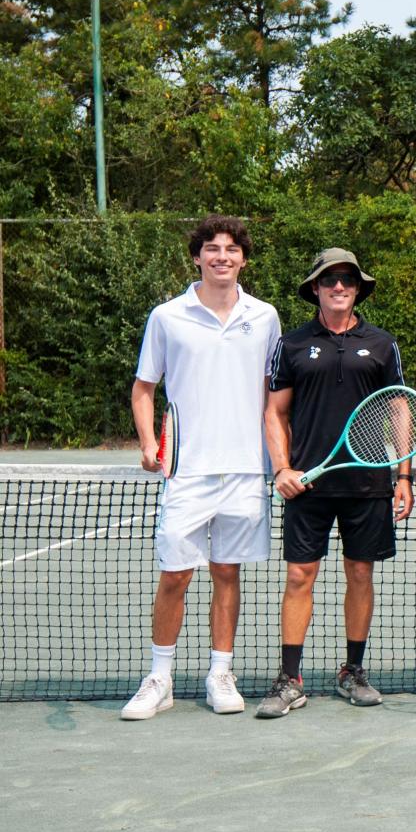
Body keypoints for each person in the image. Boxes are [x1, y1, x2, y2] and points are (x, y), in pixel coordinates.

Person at [121, 215, 281, 720]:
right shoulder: (168, 316)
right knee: (174, 576)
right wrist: (149, 443)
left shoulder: (266, 317)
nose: (222, 257)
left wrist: (279, 461)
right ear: (197, 257)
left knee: (227, 573)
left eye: (231, 249)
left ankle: (220, 673)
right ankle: (160, 678)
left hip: (245, 471)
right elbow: (144, 388)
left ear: (243, 259)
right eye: (212, 248)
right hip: (185, 472)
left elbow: (274, 399)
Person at [260, 248, 410, 718]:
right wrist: (282, 468)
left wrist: (403, 474)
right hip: (308, 484)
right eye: (330, 280)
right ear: (316, 289)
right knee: (299, 575)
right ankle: (290, 679)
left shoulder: (383, 344)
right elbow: (274, 412)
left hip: (368, 483)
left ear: (358, 288)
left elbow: (399, 407)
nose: (339, 286)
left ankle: (353, 671)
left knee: (360, 574)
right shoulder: (291, 344)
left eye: (347, 279)